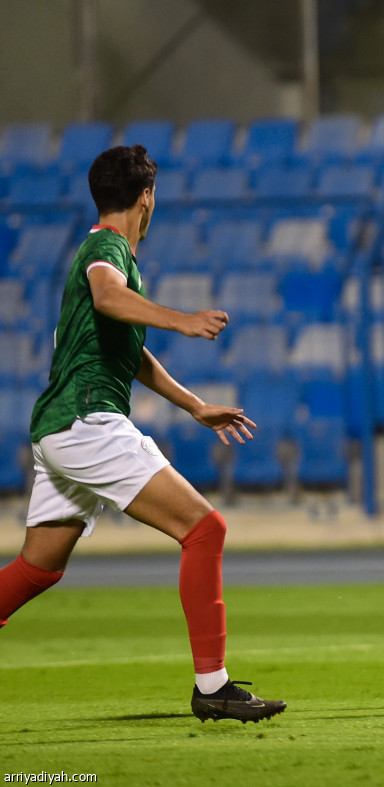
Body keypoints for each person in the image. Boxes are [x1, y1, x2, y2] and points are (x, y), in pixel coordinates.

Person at [0, 144, 285, 723]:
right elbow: (108, 295)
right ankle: (213, 686)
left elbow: (127, 351)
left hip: (61, 426)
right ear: (147, 197)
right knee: (205, 529)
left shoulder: (112, 256)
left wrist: (194, 405)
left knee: (39, 568)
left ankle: (213, 684)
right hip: (86, 422)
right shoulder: (107, 247)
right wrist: (183, 319)